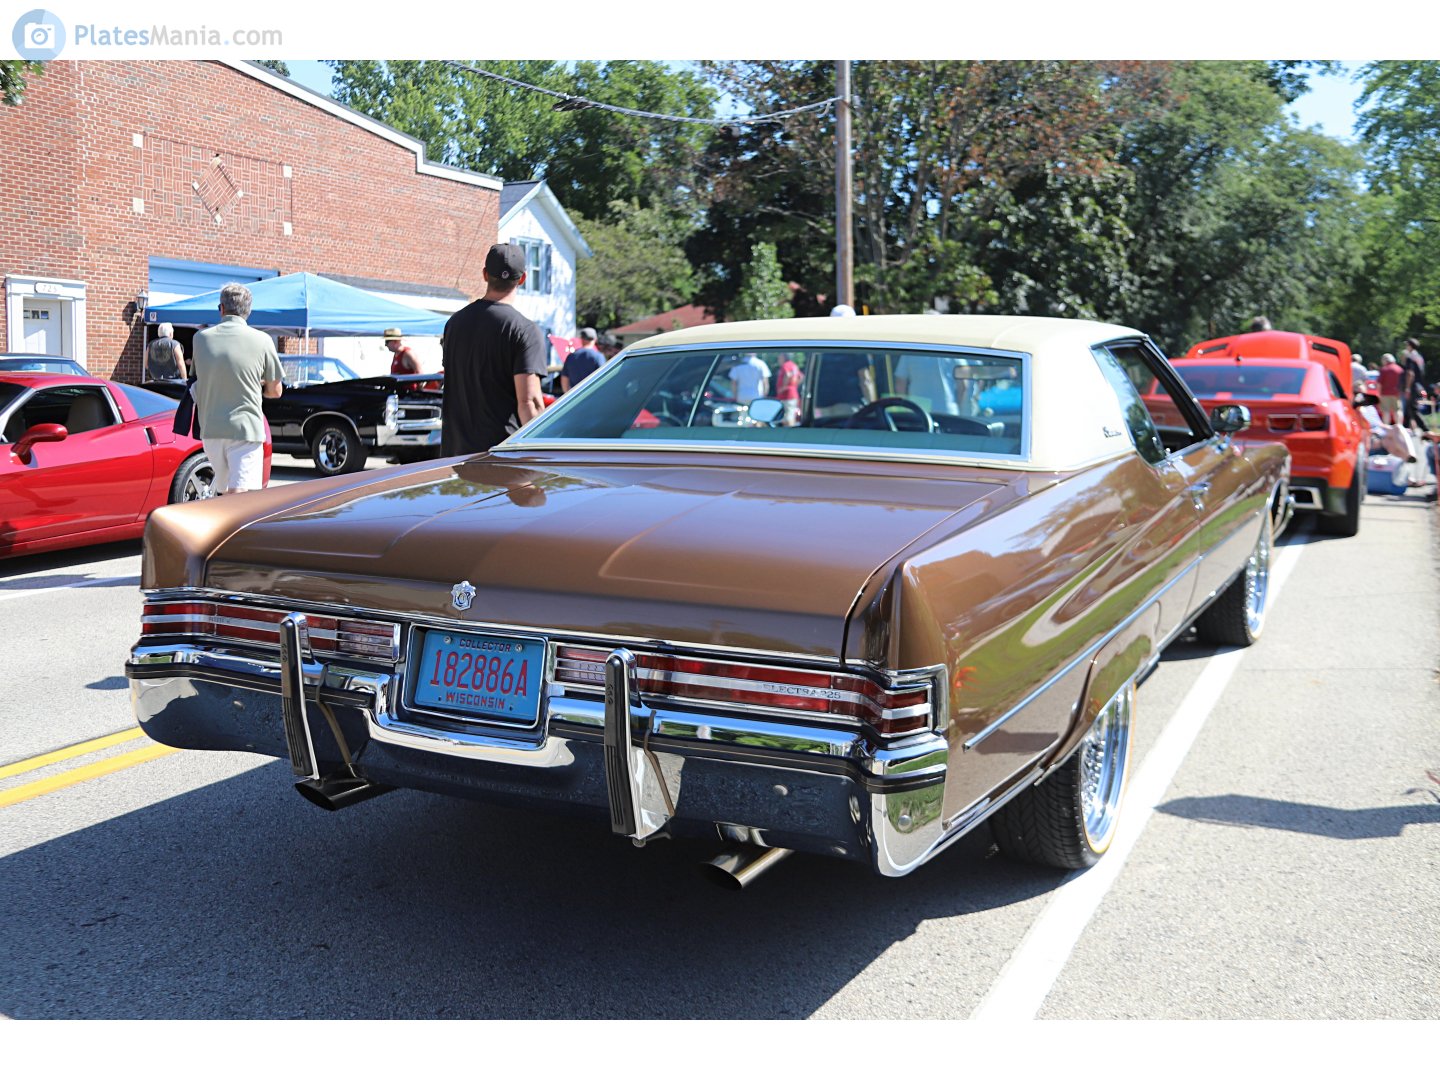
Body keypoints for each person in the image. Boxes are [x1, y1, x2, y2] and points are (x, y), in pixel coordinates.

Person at [441, 243, 548, 456]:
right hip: (500, 457)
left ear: (485, 275)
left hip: (455, 457)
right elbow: (529, 402)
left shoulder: (454, 323)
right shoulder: (524, 330)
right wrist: (542, 455)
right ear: (523, 279)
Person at [190, 283, 283, 495]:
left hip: (211, 430)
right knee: (239, 494)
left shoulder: (200, 339)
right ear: (248, 311)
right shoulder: (262, 340)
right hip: (245, 428)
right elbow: (276, 391)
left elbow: (201, 376)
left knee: (225, 492)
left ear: (221, 308)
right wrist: (258, 385)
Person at [560, 327, 605, 393]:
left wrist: (567, 393)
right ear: (595, 339)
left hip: (575, 395)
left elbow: (564, 378)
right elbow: (603, 377)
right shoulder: (598, 356)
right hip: (592, 394)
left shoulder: (571, 356)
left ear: (581, 339)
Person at [1401, 337, 1427, 434]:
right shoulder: (1419, 357)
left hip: (1412, 386)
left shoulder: (1410, 357)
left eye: (1407, 345)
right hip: (1418, 385)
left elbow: (1410, 373)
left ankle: (1426, 430)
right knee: (1408, 408)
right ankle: (1405, 429)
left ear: (1410, 346)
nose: (1406, 347)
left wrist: (1407, 388)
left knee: (1412, 408)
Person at [774, 353, 803, 425]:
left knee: (788, 417)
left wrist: (783, 387)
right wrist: (794, 386)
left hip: (786, 395)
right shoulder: (794, 365)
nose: (778, 359)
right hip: (793, 394)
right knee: (790, 415)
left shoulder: (786, 365)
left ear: (784, 357)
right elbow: (801, 377)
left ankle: (789, 431)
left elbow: (787, 375)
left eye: (780, 357)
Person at [1377, 353, 1404, 424]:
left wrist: (1378, 393)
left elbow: (1379, 384)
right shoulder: (1399, 369)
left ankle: (1386, 426)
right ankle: (1399, 426)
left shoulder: (1384, 369)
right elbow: (1403, 383)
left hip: (1385, 394)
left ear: (1385, 360)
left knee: (1386, 411)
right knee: (1397, 410)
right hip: (1397, 394)